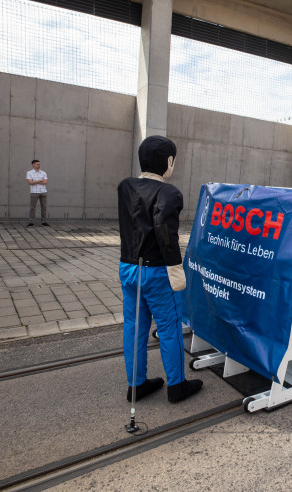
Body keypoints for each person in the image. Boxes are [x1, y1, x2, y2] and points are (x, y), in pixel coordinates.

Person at [117, 136, 202, 404]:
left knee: (134, 326)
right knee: (169, 327)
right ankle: (176, 386)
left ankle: (136, 384)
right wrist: (176, 269)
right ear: (168, 162)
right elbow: (166, 234)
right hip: (157, 272)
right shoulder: (169, 193)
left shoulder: (125, 187)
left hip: (128, 267)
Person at [26, 159, 49, 226]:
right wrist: (40, 181)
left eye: (39, 164)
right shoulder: (29, 173)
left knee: (44, 207)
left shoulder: (43, 173)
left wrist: (35, 181)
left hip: (43, 191)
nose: (39, 165)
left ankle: (44, 221)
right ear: (33, 165)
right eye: (37, 164)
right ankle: (31, 222)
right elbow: (30, 182)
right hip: (34, 192)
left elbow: (45, 182)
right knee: (32, 207)